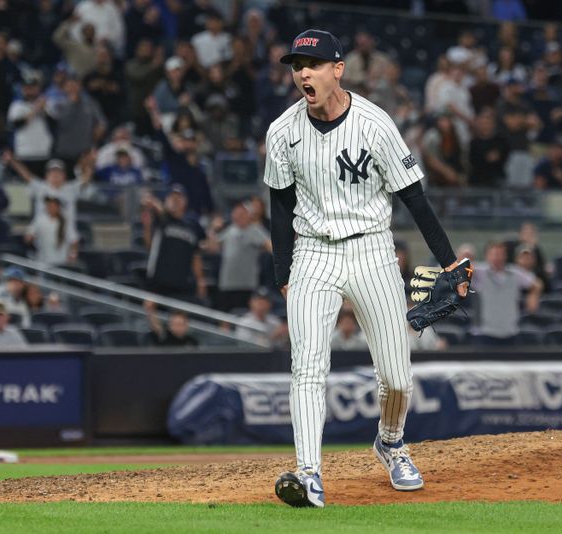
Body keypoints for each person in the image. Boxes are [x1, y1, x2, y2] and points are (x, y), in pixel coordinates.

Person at [265, 30, 469, 508]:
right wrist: (283, 275)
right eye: (296, 66)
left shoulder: (375, 124)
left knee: (396, 377)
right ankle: (308, 472)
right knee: (308, 368)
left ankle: (391, 441)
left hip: (373, 251)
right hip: (312, 253)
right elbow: (278, 207)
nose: (302, 74)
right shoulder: (282, 131)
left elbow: (413, 197)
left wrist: (449, 261)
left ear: (339, 70)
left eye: (312, 65)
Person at [141, 185, 207, 301]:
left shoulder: (193, 225)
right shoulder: (161, 219)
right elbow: (149, 244)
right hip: (159, 282)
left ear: (186, 201)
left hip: (182, 283)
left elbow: (196, 256)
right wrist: (147, 226)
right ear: (166, 200)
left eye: (179, 198)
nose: (175, 201)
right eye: (172, 197)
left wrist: (200, 279)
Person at [470, 241, 542, 345]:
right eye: (493, 254)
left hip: (510, 331)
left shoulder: (515, 273)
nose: (496, 257)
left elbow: (537, 284)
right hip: (484, 332)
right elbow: (458, 270)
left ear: (505, 256)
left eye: (500, 254)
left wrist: (533, 296)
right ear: (487, 256)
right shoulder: (479, 272)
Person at [207, 201, 271, 312]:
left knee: (244, 316)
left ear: (248, 215)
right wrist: (213, 229)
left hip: (247, 285)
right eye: (236, 213)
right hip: (227, 283)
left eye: (242, 213)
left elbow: (269, 245)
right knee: (225, 315)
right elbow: (213, 248)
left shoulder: (255, 230)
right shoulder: (230, 230)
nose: (238, 216)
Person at [24, 196, 80, 266]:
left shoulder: (66, 221)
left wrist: (73, 254)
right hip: (42, 261)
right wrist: (29, 237)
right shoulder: (40, 219)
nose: (50, 207)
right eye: (49, 205)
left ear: (58, 207)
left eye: (53, 205)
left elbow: (74, 240)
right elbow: (29, 235)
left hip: (62, 262)